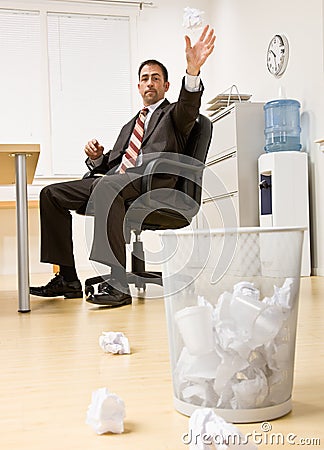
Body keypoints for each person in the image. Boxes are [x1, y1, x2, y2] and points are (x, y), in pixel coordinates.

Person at [30, 25, 216, 307]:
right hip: (116, 181)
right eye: (145, 79)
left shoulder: (175, 116)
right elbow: (113, 161)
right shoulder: (130, 125)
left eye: (156, 78)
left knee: (107, 185)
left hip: (153, 184)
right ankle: (67, 278)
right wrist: (96, 158)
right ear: (139, 86)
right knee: (51, 194)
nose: (150, 83)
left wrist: (192, 71)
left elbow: (190, 107)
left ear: (166, 86)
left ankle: (117, 285)